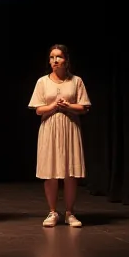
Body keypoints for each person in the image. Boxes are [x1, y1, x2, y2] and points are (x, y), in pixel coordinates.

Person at [28, 44, 91, 228]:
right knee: (51, 172)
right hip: (49, 128)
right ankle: (53, 211)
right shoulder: (42, 82)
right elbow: (38, 109)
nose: (55, 61)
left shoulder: (76, 81)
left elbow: (84, 107)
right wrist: (54, 106)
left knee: (70, 171)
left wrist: (68, 106)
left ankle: (70, 212)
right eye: (52, 57)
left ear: (66, 60)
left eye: (59, 57)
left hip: (70, 128)